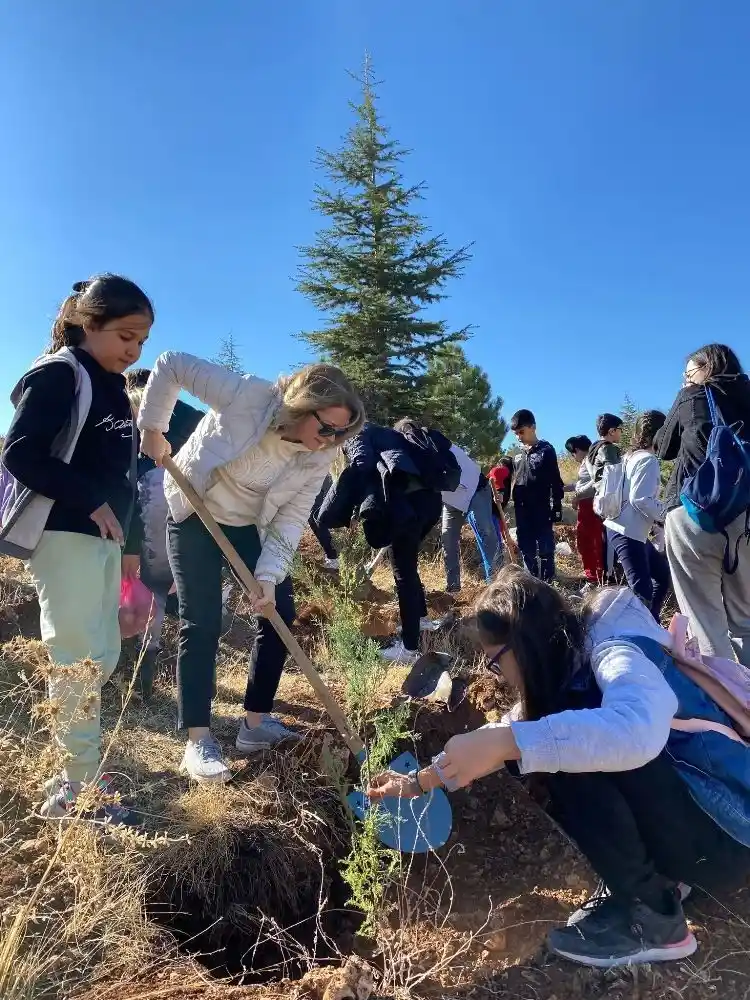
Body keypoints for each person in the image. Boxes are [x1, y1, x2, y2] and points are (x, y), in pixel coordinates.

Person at [368, 567, 750, 969]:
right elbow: (505, 732)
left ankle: (654, 920)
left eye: (495, 662)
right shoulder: (573, 659)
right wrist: (417, 782)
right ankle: (664, 882)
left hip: (729, 834)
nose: (496, 676)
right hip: (714, 830)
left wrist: (515, 743)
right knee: (547, 739)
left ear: (522, 647)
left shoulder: (616, 652)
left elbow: (636, 731)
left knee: (563, 750)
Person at [138, 355, 364, 782]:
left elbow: (291, 519)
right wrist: (153, 429)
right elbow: (170, 366)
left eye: (341, 433)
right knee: (201, 621)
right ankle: (198, 739)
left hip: (249, 526)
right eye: (326, 427)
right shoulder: (249, 395)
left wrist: (266, 576)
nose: (330, 439)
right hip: (194, 511)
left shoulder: (318, 458)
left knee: (278, 613)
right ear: (301, 406)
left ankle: (254, 725)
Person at [0, 274, 154, 823]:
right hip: (63, 534)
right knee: (77, 657)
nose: (133, 350)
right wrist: (88, 502)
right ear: (89, 325)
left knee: (104, 654)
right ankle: (78, 789)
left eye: (141, 341)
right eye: (125, 336)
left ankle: (77, 765)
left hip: (106, 541)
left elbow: (126, 478)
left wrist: (131, 545)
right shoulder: (59, 375)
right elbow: (21, 453)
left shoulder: (115, 387)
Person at [317, 419, 450, 664]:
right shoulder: (389, 434)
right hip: (429, 503)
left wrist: (352, 506)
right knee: (408, 565)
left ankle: (409, 649)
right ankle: (419, 620)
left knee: (402, 572)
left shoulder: (355, 433)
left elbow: (362, 462)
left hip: (405, 508)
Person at [657, 344, 750, 665]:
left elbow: (663, 447)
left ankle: (728, 707)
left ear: (706, 369)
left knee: (706, 624)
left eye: (689, 373)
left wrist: (686, 392)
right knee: (746, 621)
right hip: (744, 515)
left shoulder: (693, 396)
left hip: (693, 511)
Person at [124, 368, 204, 698]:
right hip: (186, 514)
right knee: (188, 600)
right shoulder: (186, 420)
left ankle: (142, 679)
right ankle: (195, 680)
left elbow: (128, 490)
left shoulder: (134, 415)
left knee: (151, 594)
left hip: (152, 509)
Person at [603, 411, 670, 622]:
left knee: (661, 576)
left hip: (624, 529)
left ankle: (652, 624)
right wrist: (667, 514)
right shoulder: (648, 460)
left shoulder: (628, 457)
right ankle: (640, 634)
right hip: (627, 532)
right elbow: (640, 499)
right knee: (642, 591)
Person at [510, 409, 564, 581]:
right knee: (526, 545)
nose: (518, 436)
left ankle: (549, 582)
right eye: (515, 433)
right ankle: (531, 582)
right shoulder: (516, 454)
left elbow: (555, 479)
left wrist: (557, 504)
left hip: (541, 506)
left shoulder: (546, 450)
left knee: (545, 544)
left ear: (532, 427)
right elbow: (510, 478)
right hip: (521, 508)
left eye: (521, 432)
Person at [441, 443, 503, 593]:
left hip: (475, 489)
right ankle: (453, 588)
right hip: (451, 500)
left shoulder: (437, 445)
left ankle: (496, 588)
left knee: (486, 533)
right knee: (448, 539)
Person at [564, 434, 605, 587]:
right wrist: (565, 488)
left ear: (578, 449)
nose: (573, 456)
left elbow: (596, 483)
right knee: (584, 541)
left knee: (591, 543)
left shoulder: (590, 460)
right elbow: (582, 483)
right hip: (586, 507)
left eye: (573, 452)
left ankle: (596, 578)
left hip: (591, 506)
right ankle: (592, 575)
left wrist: (577, 497)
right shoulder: (586, 462)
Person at [308, 474, 339, 570]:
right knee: (313, 518)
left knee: (315, 518)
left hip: (317, 479)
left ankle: (333, 557)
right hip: (307, 480)